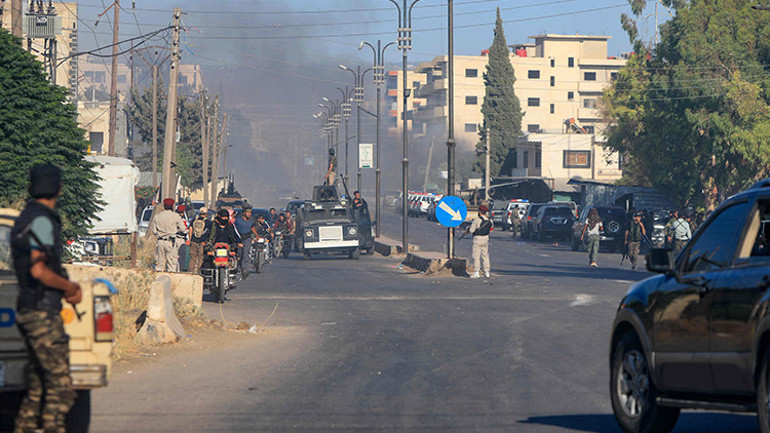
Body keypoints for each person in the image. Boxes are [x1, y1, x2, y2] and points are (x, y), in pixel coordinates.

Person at [11, 164, 81, 433]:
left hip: (28, 308)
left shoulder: (24, 218)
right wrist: (69, 287)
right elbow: (39, 269)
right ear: (59, 190)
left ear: (30, 189)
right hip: (41, 312)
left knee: (38, 388)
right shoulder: (42, 220)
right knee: (62, 389)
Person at [149, 198, 187, 272]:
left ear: (164, 205)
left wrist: (160, 234)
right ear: (173, 206)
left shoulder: (158, 216)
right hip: (171, 242)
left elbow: (153, 230)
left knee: (159, 264)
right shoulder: (175, 216)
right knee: (172, 265)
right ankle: (171, 282)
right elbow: (184, 230)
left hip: (160, 242)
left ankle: (159, 281)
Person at [465, 204, 493, 279]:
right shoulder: (490, 220)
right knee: (485, 256)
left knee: (476, 256)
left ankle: (476, 272)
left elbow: (471, 230)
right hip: (486, 238)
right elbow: (491, 229)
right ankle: (487, 272)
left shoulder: (477, 220)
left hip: (477, 239)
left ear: (480, 211)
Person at [234, 207, 257, 277]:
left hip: (247, 238)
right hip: (239, 238)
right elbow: (233, 227)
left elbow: (252, 228)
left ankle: (244, 269)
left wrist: (256, 235)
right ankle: (238, 267)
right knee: (239, 253)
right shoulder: (238, 220)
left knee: (245, 253)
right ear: (244, 213)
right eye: (248, 212)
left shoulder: (251, 221)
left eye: (250, 213)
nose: (249, 214)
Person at [189, 207, 212, 275]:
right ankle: (199, 271)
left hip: (194, 240)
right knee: (200, 257)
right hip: (202, 242)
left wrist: (190, 240)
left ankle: (190, 271)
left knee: (193, 257)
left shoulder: (194, 220)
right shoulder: (208, 222)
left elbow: (190, 230)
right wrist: (206, 241)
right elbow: (209, 233)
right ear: (206, 214)